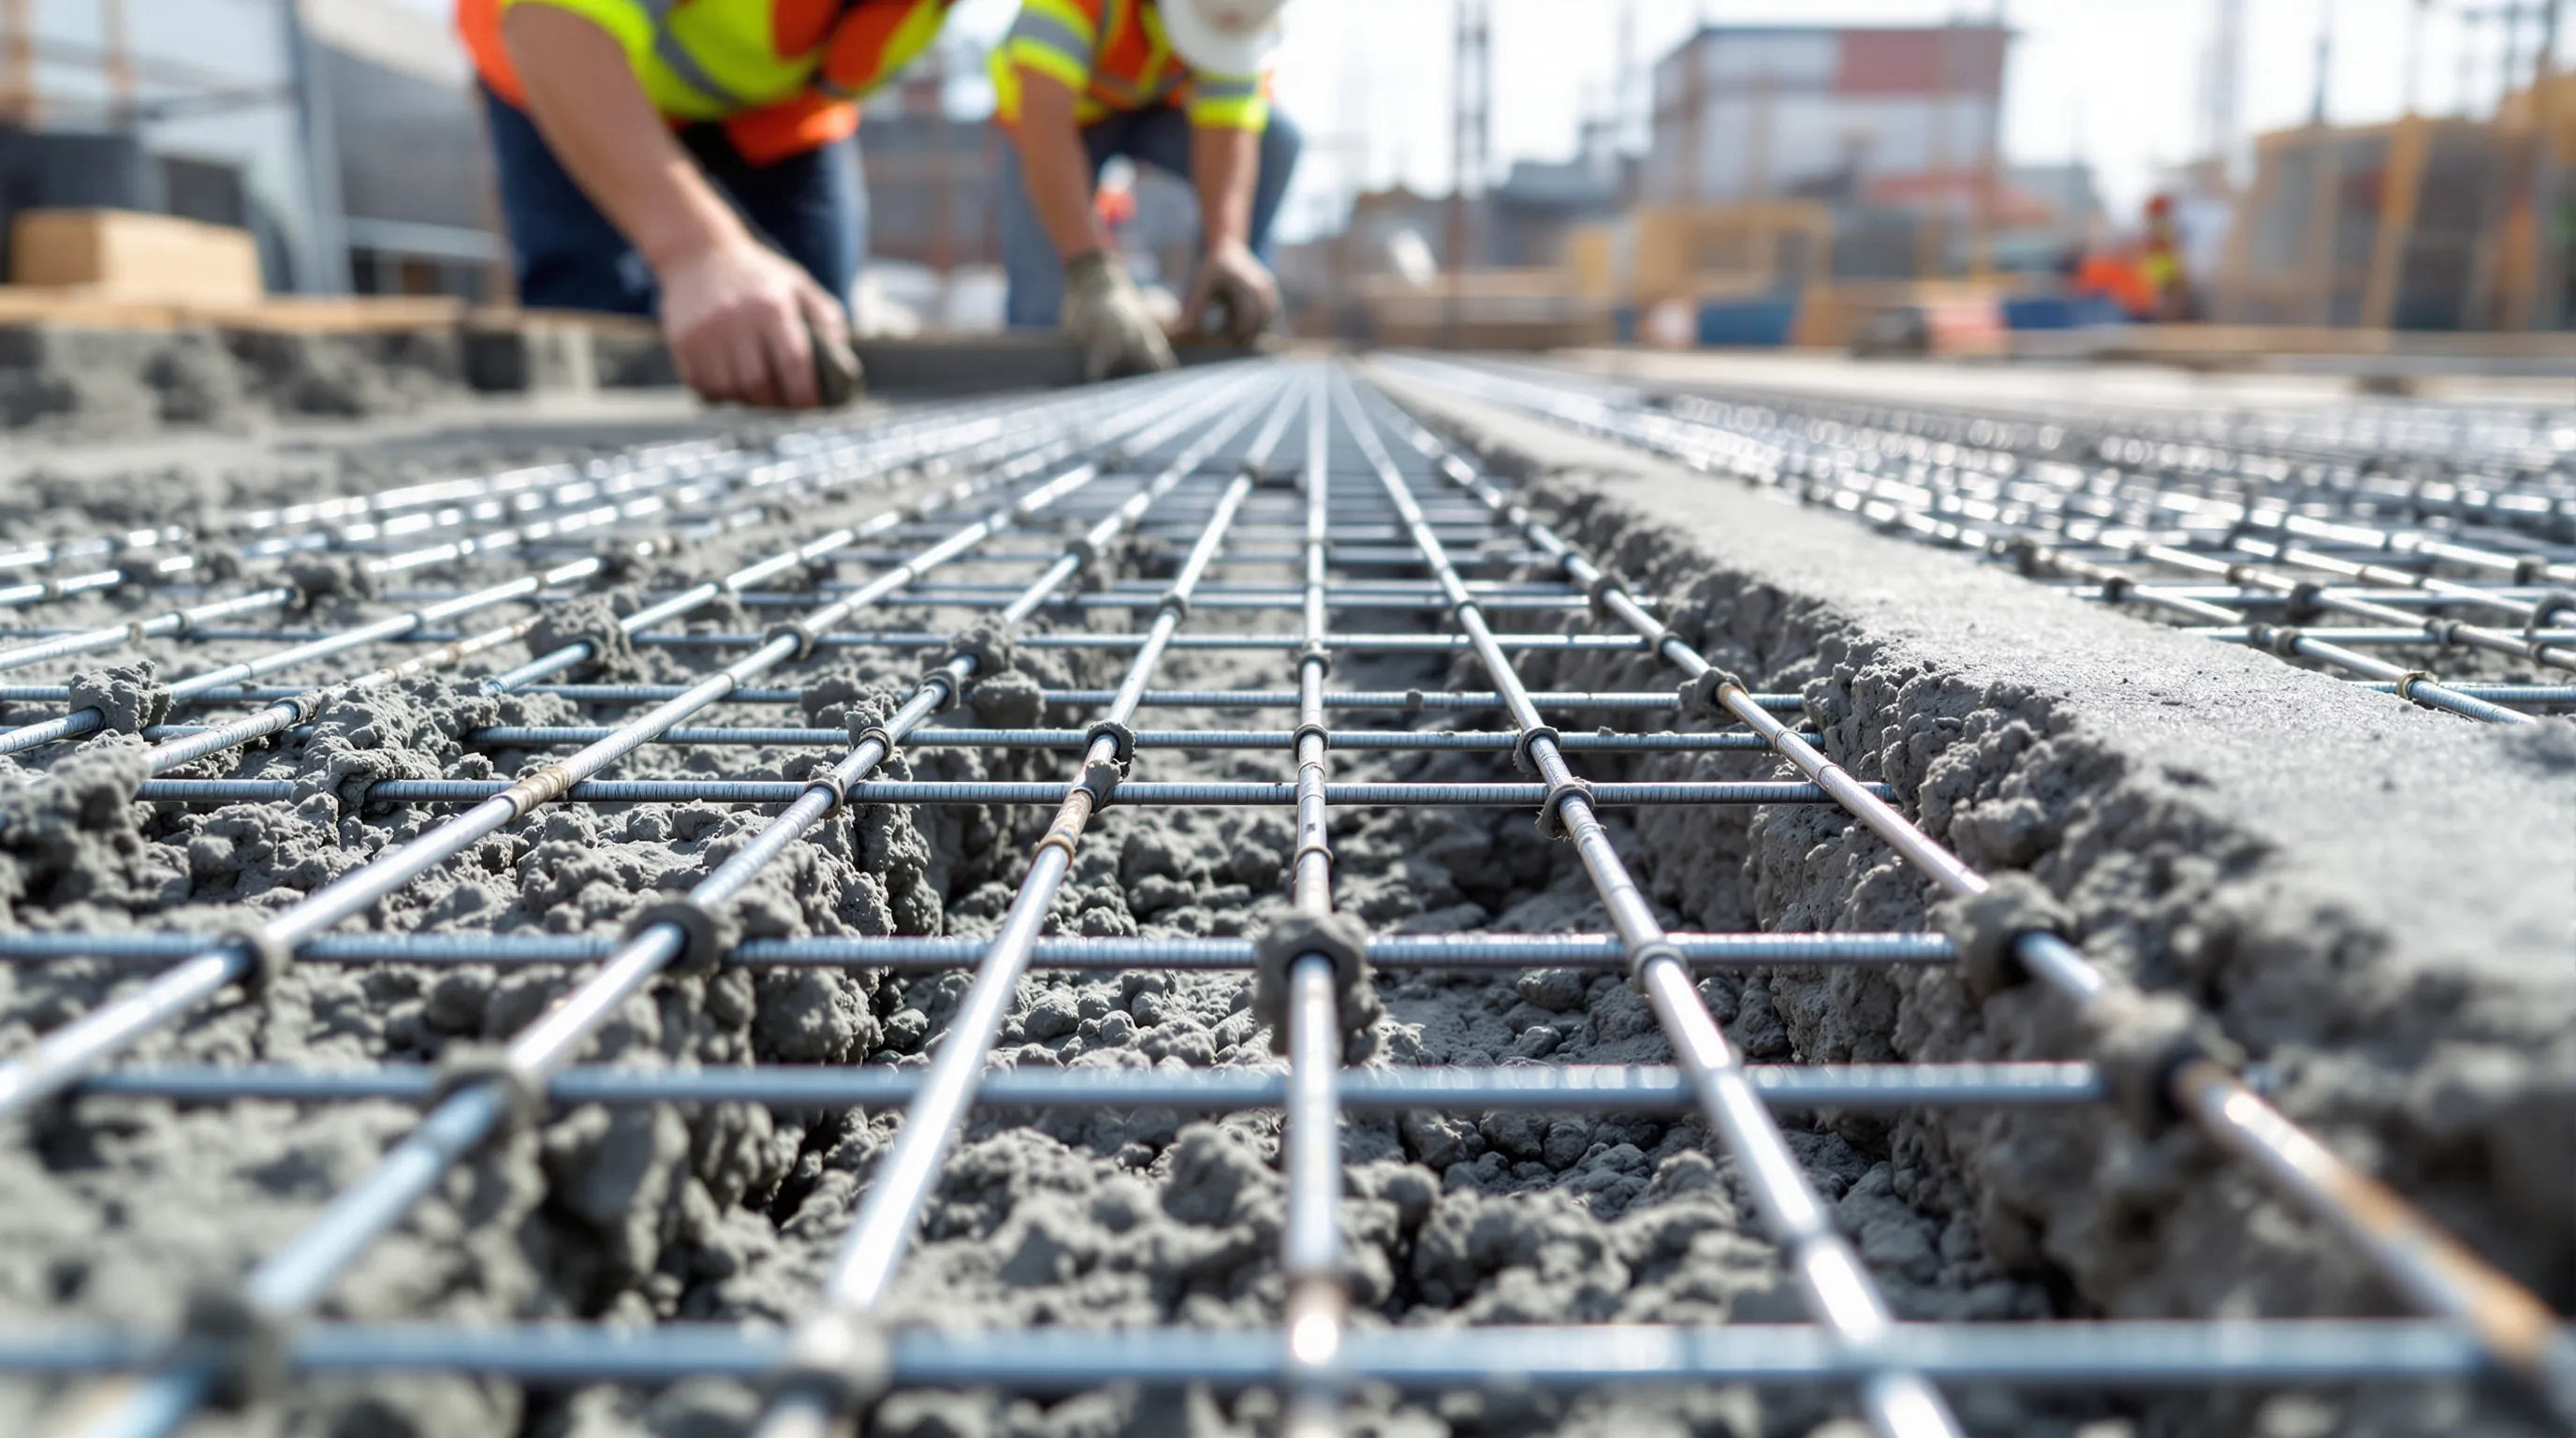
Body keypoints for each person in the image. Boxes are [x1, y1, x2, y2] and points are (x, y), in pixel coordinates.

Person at [454, 0, 957, 407]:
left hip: (775, 113)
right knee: (597, 335)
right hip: (563, 55)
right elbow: (557, 17)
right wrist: (696, 251)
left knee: (804, 339)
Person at [990, 0, 1301, 379]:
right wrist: (1093, 272)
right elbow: (1045, 129)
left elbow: (1228, 125)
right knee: (1041, 314)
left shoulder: (1240, 15)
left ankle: (1220, 320)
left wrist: (1227, 245)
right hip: (1054, 121)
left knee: (1276, 141)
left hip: (1160, 114)